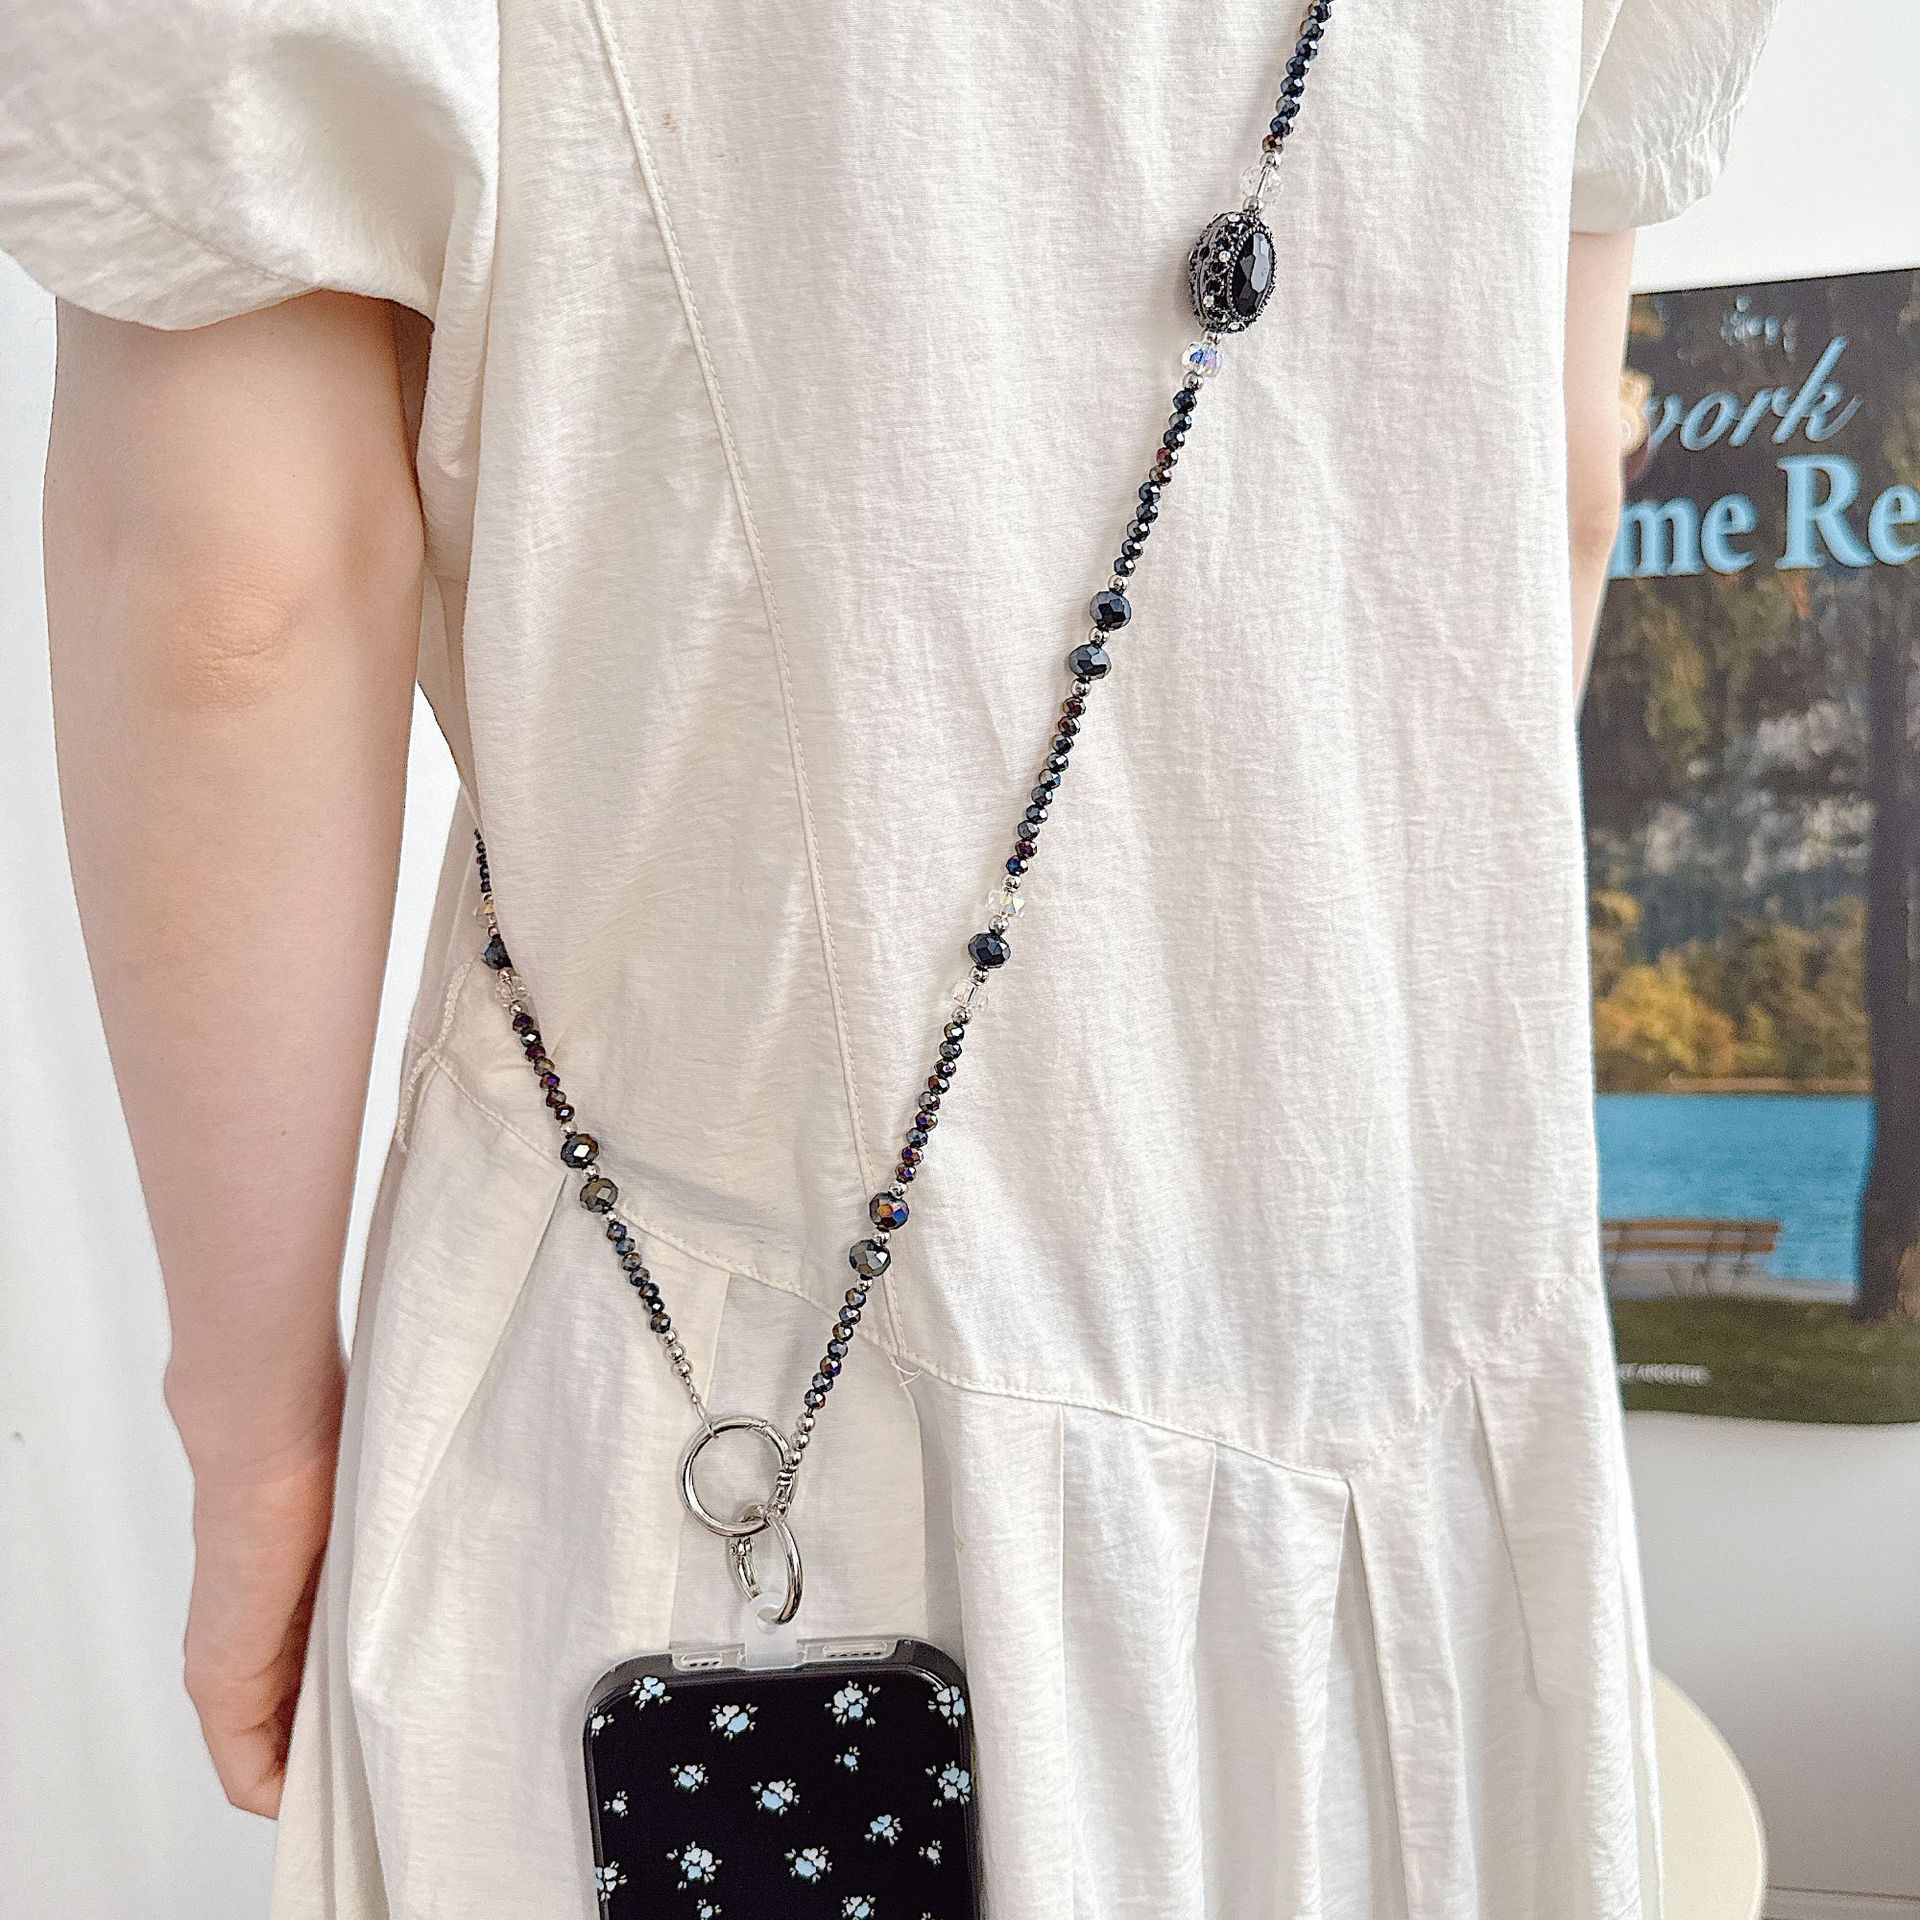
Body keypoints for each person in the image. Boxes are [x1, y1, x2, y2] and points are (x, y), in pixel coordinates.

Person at [0, 0, 1778, 1913]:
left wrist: (259, 1438)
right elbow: (1556, 489)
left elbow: (234, 596)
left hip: (711, 1347)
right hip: (1398, 1341)